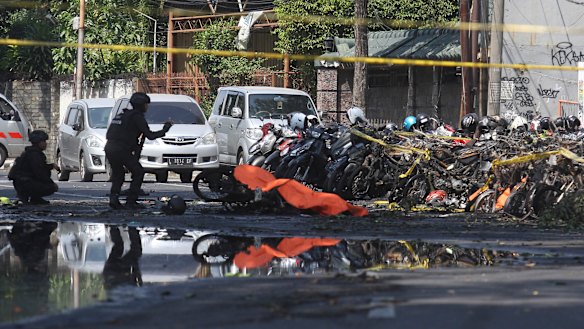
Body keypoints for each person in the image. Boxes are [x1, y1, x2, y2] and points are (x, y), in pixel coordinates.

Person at [105, 92, 172, 209]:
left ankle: (114, 198)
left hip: (110, 148)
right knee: (138, 172)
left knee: (118, 174)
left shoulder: (122, 115)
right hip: (121, 149)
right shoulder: (136, 117)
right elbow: (150, 135)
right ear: (141, 105)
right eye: (146, 105)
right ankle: (131, 201)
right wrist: (165, 129)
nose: (147, 107)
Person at [8, 130, 59, 204]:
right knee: (51, 187)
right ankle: (33, 197)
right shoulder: (35, 155)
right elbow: (39, 172)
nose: (45, 143)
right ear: (39, 142)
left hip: (19, 183)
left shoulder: (28, 152)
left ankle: (27, 197)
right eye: (44, 141)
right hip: (26, 183)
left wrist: (51, 166)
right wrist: (51, 183)